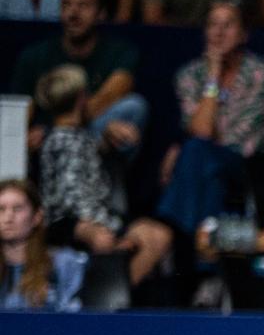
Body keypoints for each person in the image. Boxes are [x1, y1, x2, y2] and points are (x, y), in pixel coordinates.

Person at [31, 65, 172, 286]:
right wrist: (115, 230)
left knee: (156, 234)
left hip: (85, 218)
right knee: (153, 237)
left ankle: (114, 296)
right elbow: (74, 201)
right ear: (81, 99)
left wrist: (106, 137)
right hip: (69, 225)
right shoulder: (63, 141)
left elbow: (91, 153)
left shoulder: (76, 137)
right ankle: (107, 300)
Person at [154, 1, 264, 245]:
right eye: (212, 25)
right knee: (208, 174)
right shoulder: (189, 75)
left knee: (194, 152)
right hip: (208, 166)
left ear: (244, 33)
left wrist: (186, 145)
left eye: (228, 24)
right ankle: (207, 265)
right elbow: (203, 132)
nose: (219, 32)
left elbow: (233, 140)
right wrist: (213, 76)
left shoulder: (261, 72)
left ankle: (174, 229)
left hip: (249, 166)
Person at [9, 0, 147, 161]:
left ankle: (91, 176)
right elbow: (18, 116)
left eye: (84, 5)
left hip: (93, 138)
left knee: (134, 107)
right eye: (67, 4)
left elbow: (109, 96)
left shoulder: (120, 52)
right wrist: (23, 139)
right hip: (47, 147)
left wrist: (54, 130)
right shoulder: (35, 55)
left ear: (101, 13)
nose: (73, 13)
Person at [0, 180, 87, 313]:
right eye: (1, 209)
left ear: (36, 216)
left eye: (17, 208)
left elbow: (74, 321)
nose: (8, 217)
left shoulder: (63, 262)